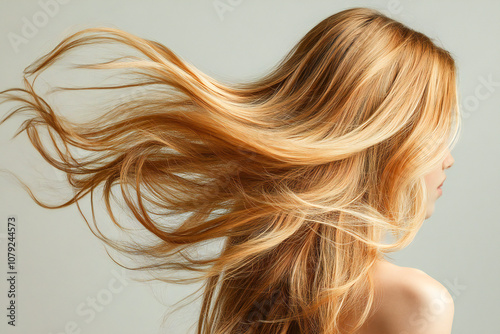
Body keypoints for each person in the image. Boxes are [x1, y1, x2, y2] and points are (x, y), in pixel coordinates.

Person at [0, 6, 461, 334]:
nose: (448, 159)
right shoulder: (420, 304)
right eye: (437, 135)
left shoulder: (264, 269)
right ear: (387, 139)